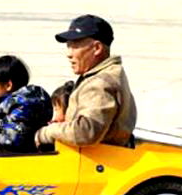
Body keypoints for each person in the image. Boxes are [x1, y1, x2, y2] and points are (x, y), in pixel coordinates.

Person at [35, 14, 137, 148]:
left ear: (97, 48)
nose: (69, 54)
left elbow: (85, 132)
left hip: (94, 163)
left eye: (75, 46)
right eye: (68, 46)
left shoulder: (100, 83)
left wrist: (47, 132)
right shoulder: (110, 74)